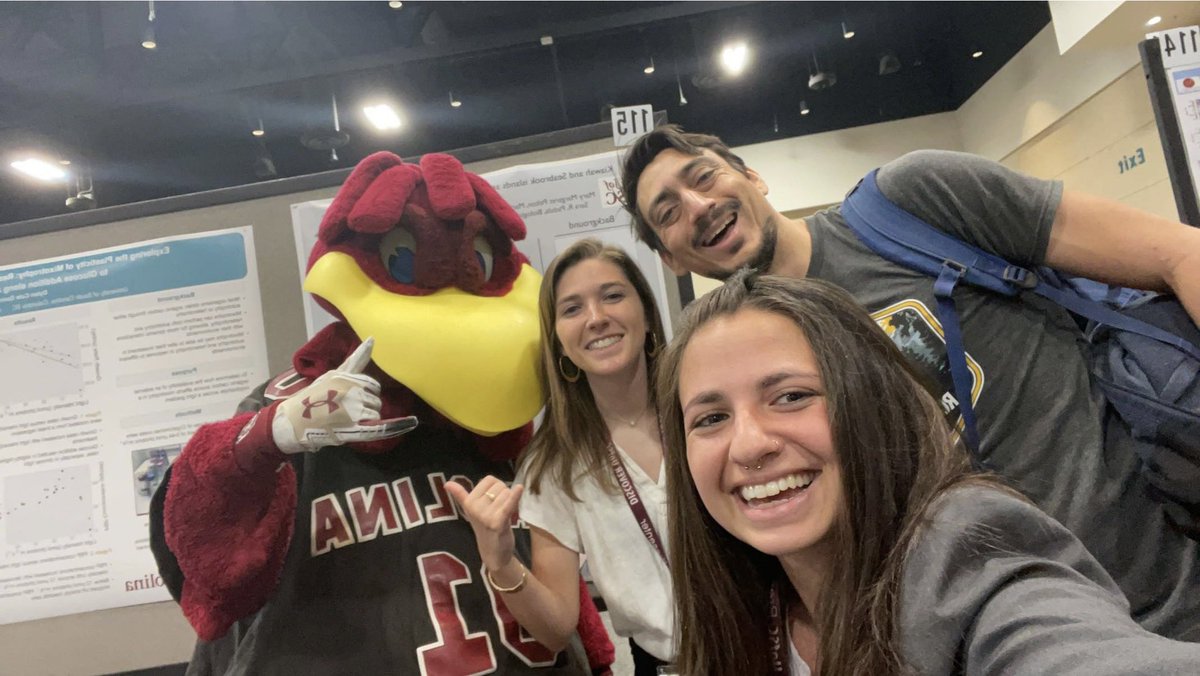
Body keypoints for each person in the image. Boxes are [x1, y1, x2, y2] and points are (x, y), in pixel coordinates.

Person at [619, 125, 1200, 641]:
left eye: (703, 177)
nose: (696, 206)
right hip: (999, 628)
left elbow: (1179, 252)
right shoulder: (759, 371)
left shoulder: (910, 202)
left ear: (753, 177)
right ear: (669, 259)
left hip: (1170, 584)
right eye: (666, 212)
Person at [149, 152, 612, 675]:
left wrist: (592, 656)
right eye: (405, 261)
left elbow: (556, 577)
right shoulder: (301, 404)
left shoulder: (512, 418)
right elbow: (205, 549)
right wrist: (271, 432)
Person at [655, 270, 1200, 676]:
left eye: (792, 396)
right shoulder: (744, 602)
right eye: (711, 418)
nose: (748, 444)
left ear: (870, 403)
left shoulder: (964, 543)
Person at [447, 238, 676, 675]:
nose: (596, 318)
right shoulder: (554, 464)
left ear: (645, 313)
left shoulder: (704, 408)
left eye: (612, 296)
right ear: (559, 343)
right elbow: (555, 628)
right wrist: (500, 559)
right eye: (572, 309)